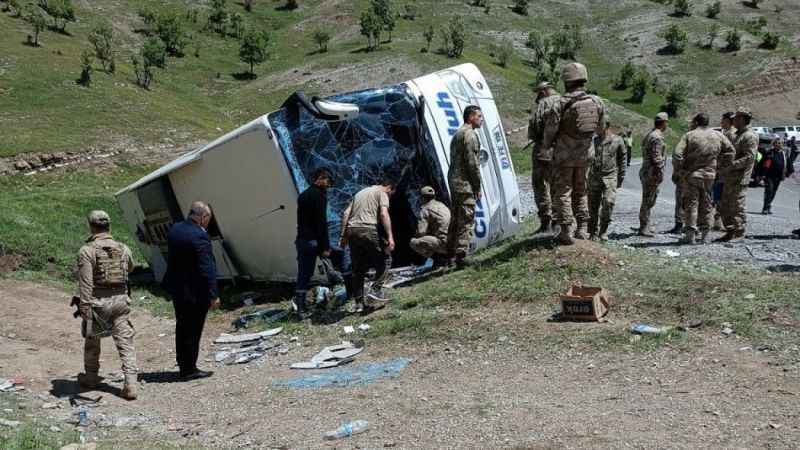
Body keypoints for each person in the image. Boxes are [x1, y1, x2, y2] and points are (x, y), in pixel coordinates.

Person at [541, 62, 606, 245]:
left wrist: (546, 147)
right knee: (581, 190)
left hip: (564, 156)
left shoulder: (559, 103)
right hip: (586, 155)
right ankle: (583, 228)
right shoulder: (597, 102)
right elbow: (601, 130)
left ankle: (566, 230)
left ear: (566, 81)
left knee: (563, 192)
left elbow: (550, 131)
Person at [76, 210, 138, 400]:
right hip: (121, 302)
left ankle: (92, 377)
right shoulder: (124, 248)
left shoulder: (87, 251)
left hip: (98, 303)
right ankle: (131, 384)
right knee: (125, 343)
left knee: (92, 341)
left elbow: (85, 283)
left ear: (91, 226)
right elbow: (131, 267)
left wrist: (85, 308)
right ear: (109, 226)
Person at [162, 202, 220, 381]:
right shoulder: (199, 236)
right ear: (203, 217)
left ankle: (183, 364)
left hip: (178, 288)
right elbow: (206, 268)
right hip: (195, 292)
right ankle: (190, 369)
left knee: (182, 327)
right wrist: (213, 294)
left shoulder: (176, 229)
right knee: (193, 330)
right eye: (208, 219)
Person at [672, 113, 735, 245]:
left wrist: (680, 170)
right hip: (710, 176)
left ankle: (690, 235)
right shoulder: (718, 135)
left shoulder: (690, 135)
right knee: (707, 204)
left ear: (696, 122)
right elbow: (731, 151)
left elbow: (677, 154)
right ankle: (705, 235)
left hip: (692, 175)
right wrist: (720, 167)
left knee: (691, 204)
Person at [339, 181, 396, 312]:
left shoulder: (359, 193)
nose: (390, 197)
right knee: (385, 259)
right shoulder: (382, 192)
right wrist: (390, 237)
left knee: (358, 268)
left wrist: (343, 236)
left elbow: (345, 214)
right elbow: (383, 214)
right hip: (368, 228)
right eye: (391, 195)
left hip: (352, 230)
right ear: (389, 188)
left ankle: (358, 303)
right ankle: (375, 291)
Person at [293, 168, 333, 317]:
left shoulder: (303, 195)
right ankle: (349, 294)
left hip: (302, 240)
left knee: (304, 274)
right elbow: (321, 223)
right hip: (314, 241)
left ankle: (301, 307)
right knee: (341, 258)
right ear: (319, 179)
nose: (328, 184)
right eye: (327, 180)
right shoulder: (319, 196)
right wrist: (325, 247)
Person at [447, 105, 483, 265]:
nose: (481, 119)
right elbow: (472, 163)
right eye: (479, 116)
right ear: (470, 117)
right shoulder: (470, 135)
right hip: (464, 183)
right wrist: (477, 186)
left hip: (454, 181)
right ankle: (462, 255)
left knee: (455, 218)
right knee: (466, 218)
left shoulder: (457, 134)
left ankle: (449, 255)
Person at [716, 108, 758, 243]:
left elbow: (749, 158)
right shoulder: (737, 134)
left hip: (739, 177)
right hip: (729, 176)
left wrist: (731, 165)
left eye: (736, 118)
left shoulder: (749, 136)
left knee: (737, 205)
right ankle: (730, 231)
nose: (733, 121)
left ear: (742, 119)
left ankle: (739, 232)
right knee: (724, 205)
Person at [528, 82, 560, 234]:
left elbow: (534, 126)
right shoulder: (565, 101)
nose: (538, 97)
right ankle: (558, 221)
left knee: (541, 185)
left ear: (545, 91)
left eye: (539, 93)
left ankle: (546, 222)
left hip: (544, 151)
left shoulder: (544, 103)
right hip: (564, 151)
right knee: (559, 187)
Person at [587, 119, 626, 241]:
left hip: (610, 176)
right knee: (592, 205)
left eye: (598, 126)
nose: (596, 128)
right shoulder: (593, 140)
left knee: (608, 203)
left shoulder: (618, 140)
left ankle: (603, 231)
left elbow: (622, 158)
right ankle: (593, 232)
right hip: (594, 177)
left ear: (606, 126)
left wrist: (621, 177)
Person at [638, 112, 670, 237]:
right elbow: (657, 158)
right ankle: (644, 227)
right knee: (648, 200)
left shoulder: (649, 135)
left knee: (649, 199)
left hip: (646, 171)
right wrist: (660, 172)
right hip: (652, 173)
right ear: (664, 123)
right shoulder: (657, 137)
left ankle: (646, 224)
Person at [409, 186, 451, 262]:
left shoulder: (425, 209)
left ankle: (440, 259)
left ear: (422, 198)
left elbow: (421, 232)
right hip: (455, 240)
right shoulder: (442, 205)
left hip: (444, 244)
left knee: (413, 242)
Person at [713, 112, 737, 230]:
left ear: (728, 121)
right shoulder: (728, 133)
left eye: (723, 120)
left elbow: (727, 154)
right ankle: (718, 221)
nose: (721, 122)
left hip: (724, 171)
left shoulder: (730, 135)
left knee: (721, 197)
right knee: (719, 196)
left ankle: (722, 222)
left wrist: (720, 168)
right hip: (724, 170)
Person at [762, 139, 788, 215]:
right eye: (776, 143)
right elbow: (764, 164)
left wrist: (788, 173)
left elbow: (788, 163)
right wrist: (762, 174)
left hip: (778, 177)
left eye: (780, 143)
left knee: (773, 192)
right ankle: (765, 208)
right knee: (769, 191)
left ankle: (768, 206)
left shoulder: (784, 154)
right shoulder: (770, 153)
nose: (778, 144)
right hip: (769, 176)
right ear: (774, 144)